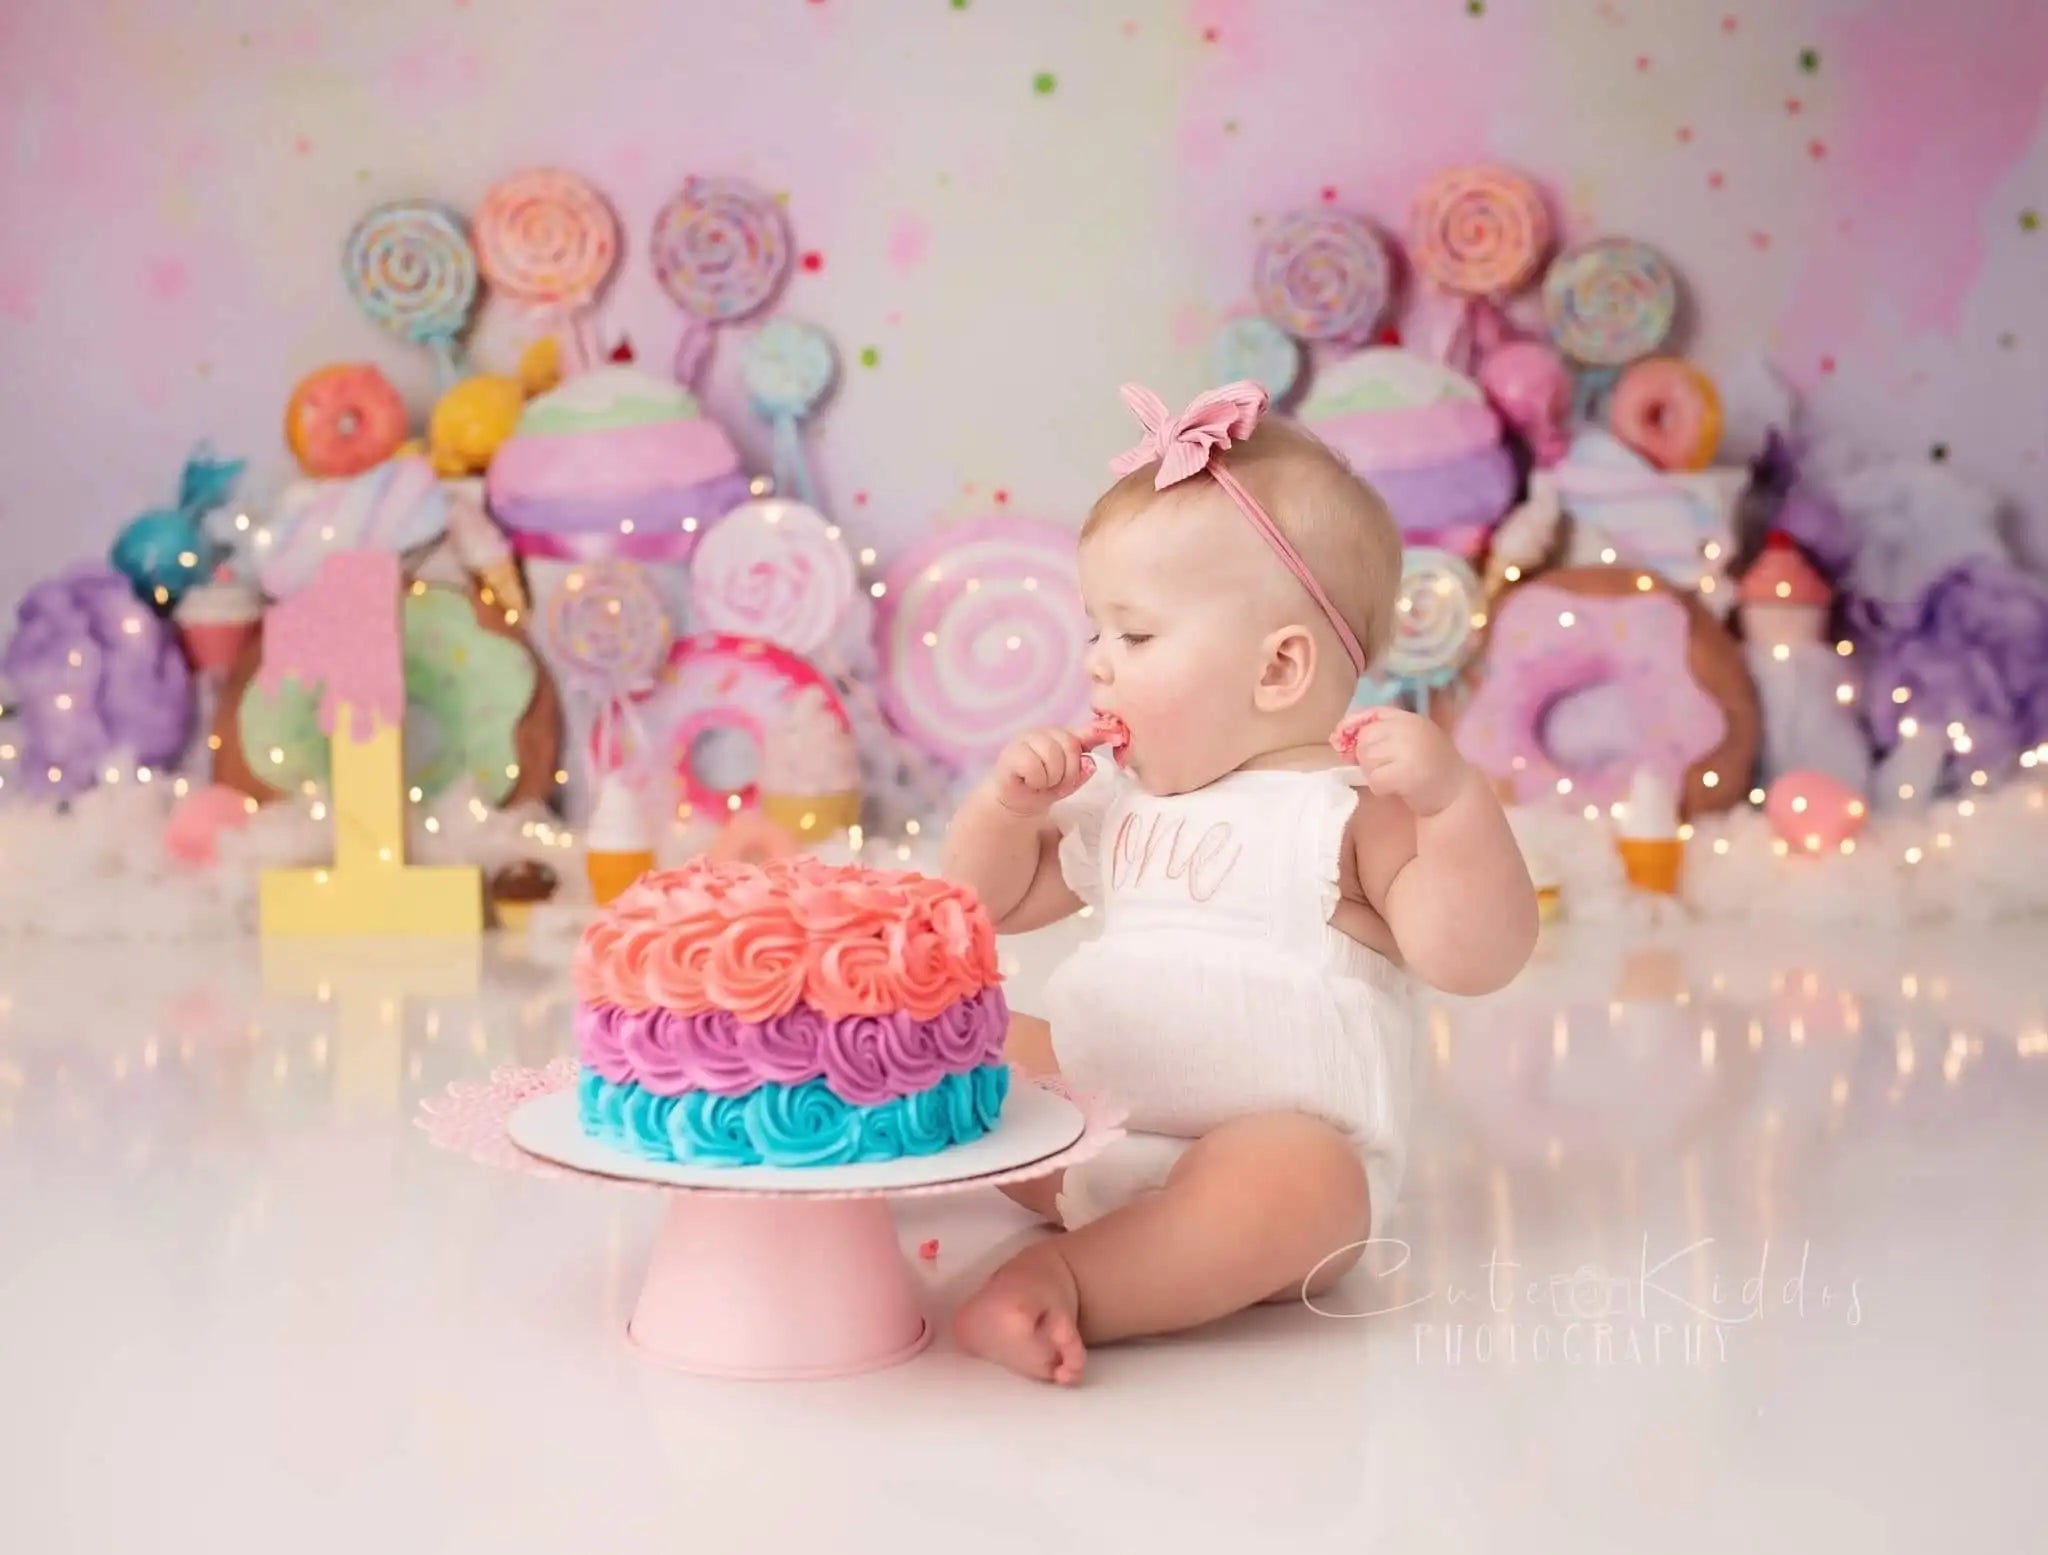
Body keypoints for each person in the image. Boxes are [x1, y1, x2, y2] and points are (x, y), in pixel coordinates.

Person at [940, 381, 1537, 1384]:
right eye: (1094, 632)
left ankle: (1072, 1282)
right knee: (964, 1034)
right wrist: (1003, 809)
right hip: (1094, 1131)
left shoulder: (1348, 809)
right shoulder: (1125, 799)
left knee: (1307, 1180)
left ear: (1276, 670)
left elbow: (1474, 955)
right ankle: (851, 1167)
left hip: (1259, 1163)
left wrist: (1454, 808)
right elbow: (977, 906)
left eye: (1132, 635)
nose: (1094, 664)